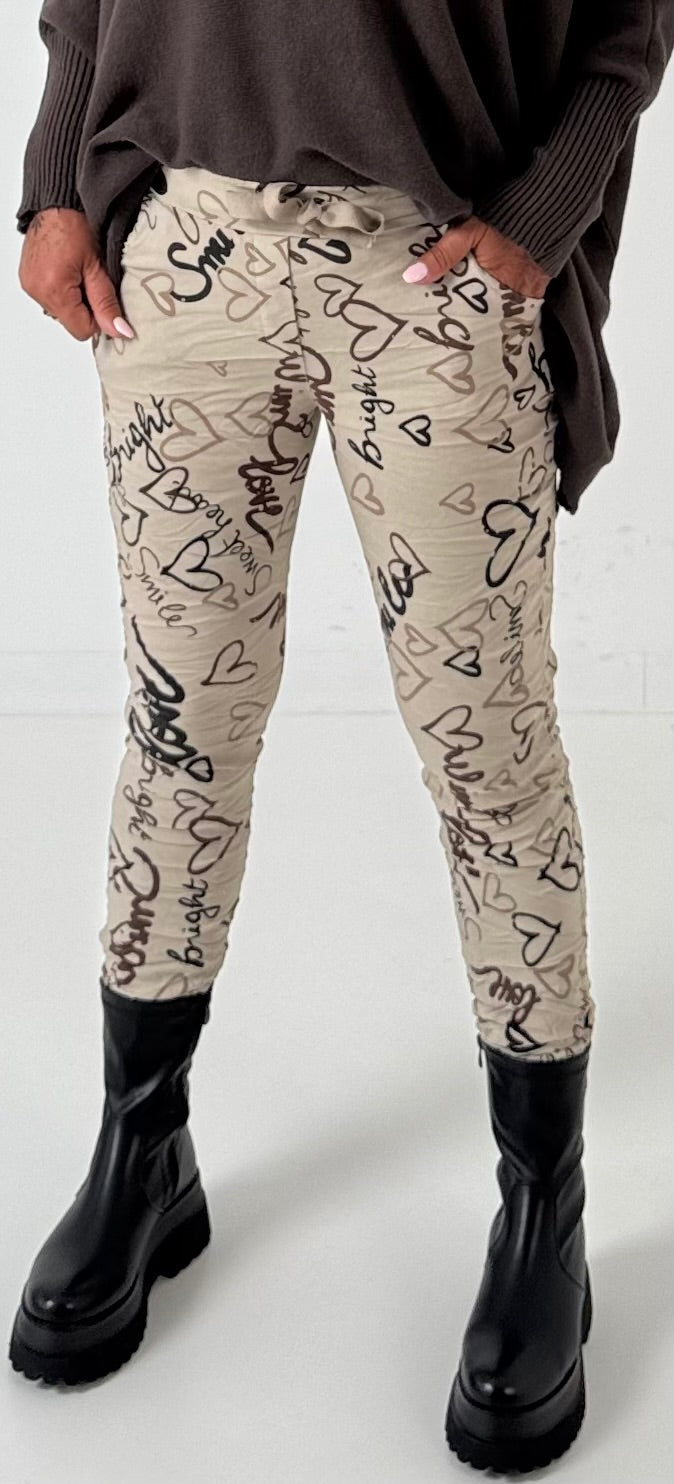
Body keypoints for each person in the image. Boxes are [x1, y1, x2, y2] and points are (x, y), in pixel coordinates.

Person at [9, 0, 673, 1471]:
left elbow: (627, 20)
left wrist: (543, 212)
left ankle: (544, 1207)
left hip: (430, 259)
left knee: (488, 754)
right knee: (181, 731)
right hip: (184, 255)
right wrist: (55, 181)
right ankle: (143, 1146)